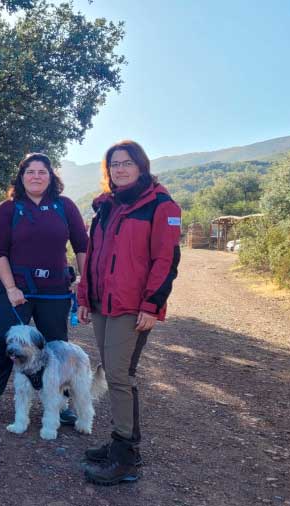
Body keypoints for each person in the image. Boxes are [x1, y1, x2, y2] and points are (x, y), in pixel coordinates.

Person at [76, 140, 181, 486]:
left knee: (120, 376)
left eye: (126, 163)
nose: (120, 169)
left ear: (141, 165)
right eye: (114, 164)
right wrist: (84, 297)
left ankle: (126, 458)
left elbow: (166, 261)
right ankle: (119, 443)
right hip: (103, 304)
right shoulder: (106, 206)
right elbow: (92, 256)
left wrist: (152, 305)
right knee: (113, 371)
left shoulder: (160, 205)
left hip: (132, 307)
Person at [0, 153, 89, 431]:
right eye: (30, 172)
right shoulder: (8, 209)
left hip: (55, 293)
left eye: (42, 172)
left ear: (51, 177)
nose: (36, 176)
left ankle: (60, 406)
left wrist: (84, 280)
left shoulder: (65, 207)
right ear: (21, 177)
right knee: (2, 344)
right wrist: (10, 288)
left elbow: (82, 246)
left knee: (56, 349)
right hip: (16, 292)